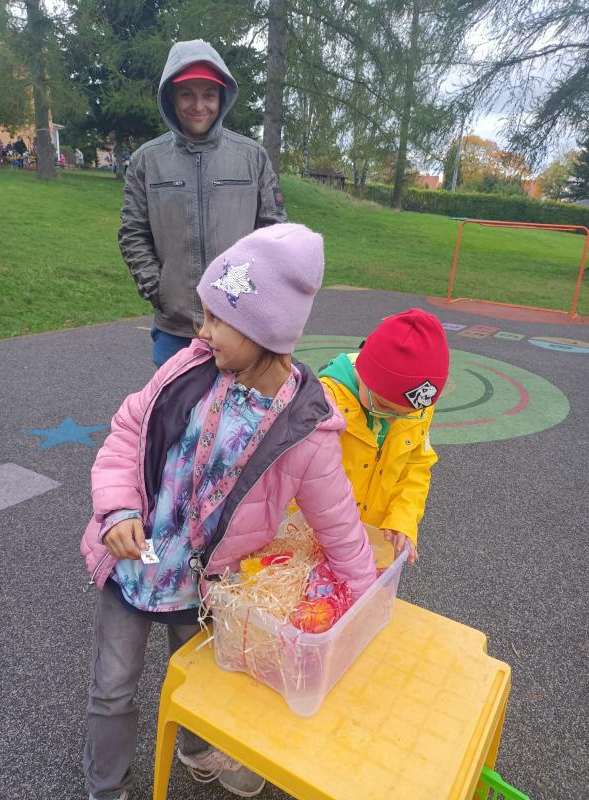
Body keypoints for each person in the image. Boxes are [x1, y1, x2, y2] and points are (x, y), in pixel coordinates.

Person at [81, 223, 377, 800]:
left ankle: (197, 746)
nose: (202, 330)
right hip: (131, 563)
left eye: (218, 319)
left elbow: (339, 524)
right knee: (112, 687)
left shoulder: (305, 430)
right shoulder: (188, 368)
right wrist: (116, 510)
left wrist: (364, 607)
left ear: (265, 331)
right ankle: (106, 785)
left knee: (205, 681)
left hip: (203, 586)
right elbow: (127, 430)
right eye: (205, 314)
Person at [118, 39, 287, 369]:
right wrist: (158, 289)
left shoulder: (252, 157)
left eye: (208, 95)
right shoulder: (146, 161)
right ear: (171, 97)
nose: (199, 106)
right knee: (175, 404)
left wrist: (248, 292)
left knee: (240, 404)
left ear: (222, 98)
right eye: (187, 94)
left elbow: (273, 230)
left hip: (240, 327)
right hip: (175, 331)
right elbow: (133, 233)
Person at [318, 308, 450, 565]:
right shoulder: (324, 403)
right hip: (319, 541)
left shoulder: (418, 408)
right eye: (383, 406)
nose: (392, 420)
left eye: (405, 414)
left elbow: (416, 466)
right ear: (364, 372)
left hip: (374, 547)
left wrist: (403, 519)